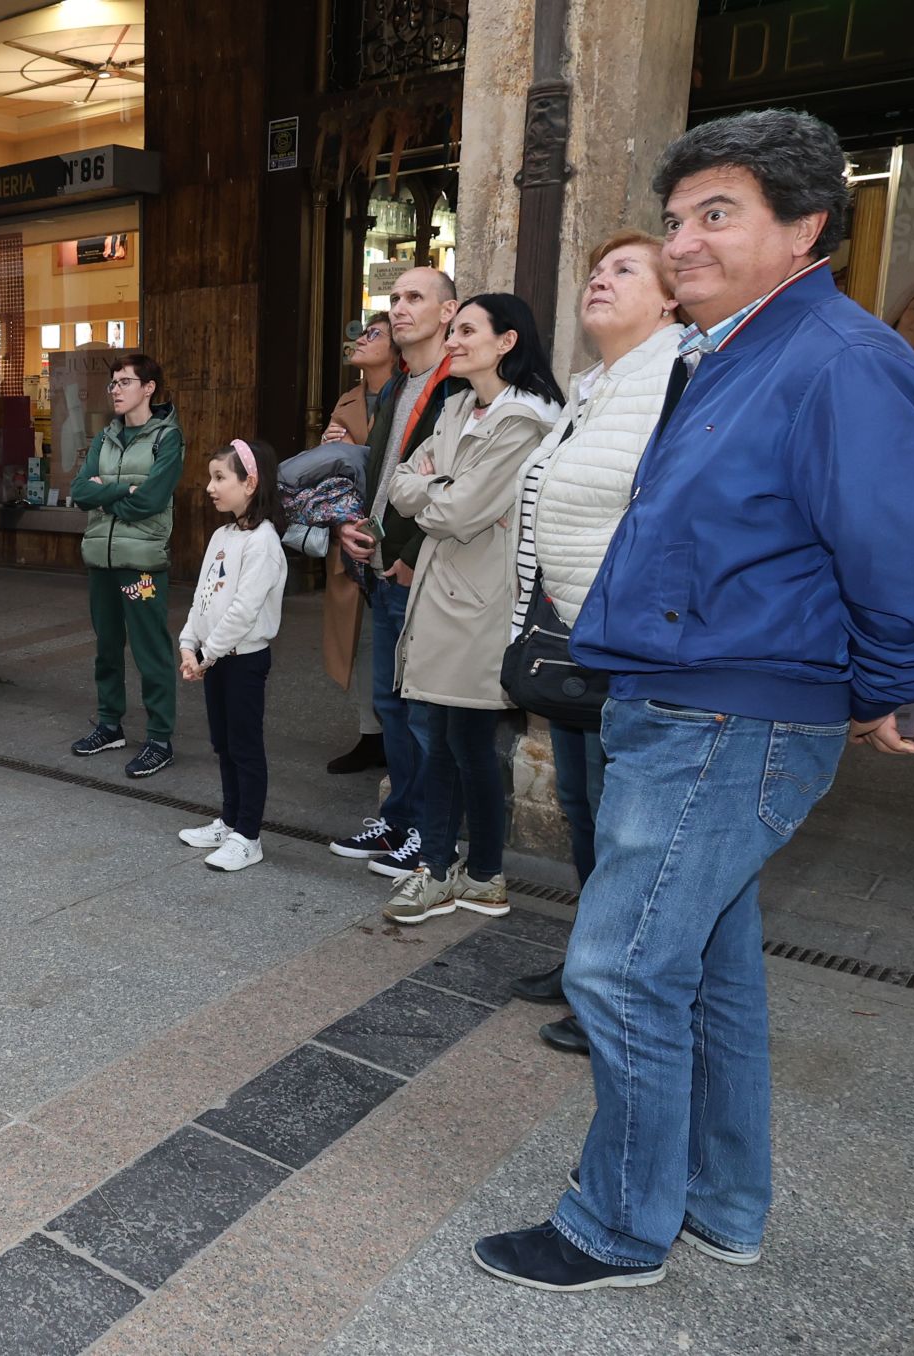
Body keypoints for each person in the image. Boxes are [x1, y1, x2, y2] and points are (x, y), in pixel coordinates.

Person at [472, 109, 914, 1293]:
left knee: (620, 967)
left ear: (806, 228)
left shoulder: (837, 360)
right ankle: (720, 1203)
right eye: (676, 217)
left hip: (727, 717)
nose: (684, 242)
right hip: (692, 702)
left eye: (719, 215)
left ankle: (617, 1227)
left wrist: (896, 685)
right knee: (705, 968)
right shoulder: (737, 349)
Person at [499, 232, 686, 1056]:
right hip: (573, 633)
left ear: (672, 297)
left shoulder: (676, 380)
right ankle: (588, 962)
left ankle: (614, 991)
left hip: (627, 645)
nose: (599, 281)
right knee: (582, 811)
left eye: (625, 271)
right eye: (597, 269)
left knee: (624, 827)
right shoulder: (595, 386)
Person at [379, 294, 563, 925]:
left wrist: (433, 487)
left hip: (482, 605)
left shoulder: (523, 421)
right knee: (449, 743)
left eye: (465, 330)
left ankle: (471, 872)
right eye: (451, 330)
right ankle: (461, 870)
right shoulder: (458, 405)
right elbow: (403, 482)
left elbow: (455, 511)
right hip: (442, 595)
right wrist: (438, 485)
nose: (452, 341)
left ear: (507, 342)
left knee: (465, 746)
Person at [327, 269, 463, 876]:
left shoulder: (457, 385)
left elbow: (453, 487)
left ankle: (436, 837)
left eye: (414, 298)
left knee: (425, 713)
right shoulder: (399, 385)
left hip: (422, 572)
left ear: (447, 311)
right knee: (391, 704)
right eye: (395, 298)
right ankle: (403, 820)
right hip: (381, 567)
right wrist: (353, 524)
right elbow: (379, 477)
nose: (399, 308)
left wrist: (409, 554)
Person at [69, 352, 184, 779]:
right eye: (113, 383)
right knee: (106, 646)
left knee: (150, 649)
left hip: (142, 565)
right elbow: (80, 490)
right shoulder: (105, 437)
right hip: (101, 558)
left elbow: (152, 499)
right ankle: (109, 724)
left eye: (124, 382)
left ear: (148, 388)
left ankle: (159, 738)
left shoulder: (167, 439)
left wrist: (108, 488)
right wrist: (126, 486)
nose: (115, 390)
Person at [176, 439, 289, 872]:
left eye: (220, 477)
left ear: (250, 482)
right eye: (211, 477)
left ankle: (249, 835)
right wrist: (189, 643)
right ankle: (229, 819)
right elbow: (203, 597)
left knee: (245, 746)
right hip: (216, 657)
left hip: (242, 660)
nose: (210, 486)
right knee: (223, 743)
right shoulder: (223, 535)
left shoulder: (263, 543)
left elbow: (243, 611)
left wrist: (205, 654)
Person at [317, 313, 400, 775]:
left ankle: (398, 737)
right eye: (360, 333)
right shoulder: (347, 399)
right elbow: (325, 474)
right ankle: (371, 737)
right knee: (363, 640)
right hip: (348, 534)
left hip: (392, 535)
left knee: (395, 639)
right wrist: (329, 447)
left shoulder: (409, 394)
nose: (361, 340)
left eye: (375, 334)